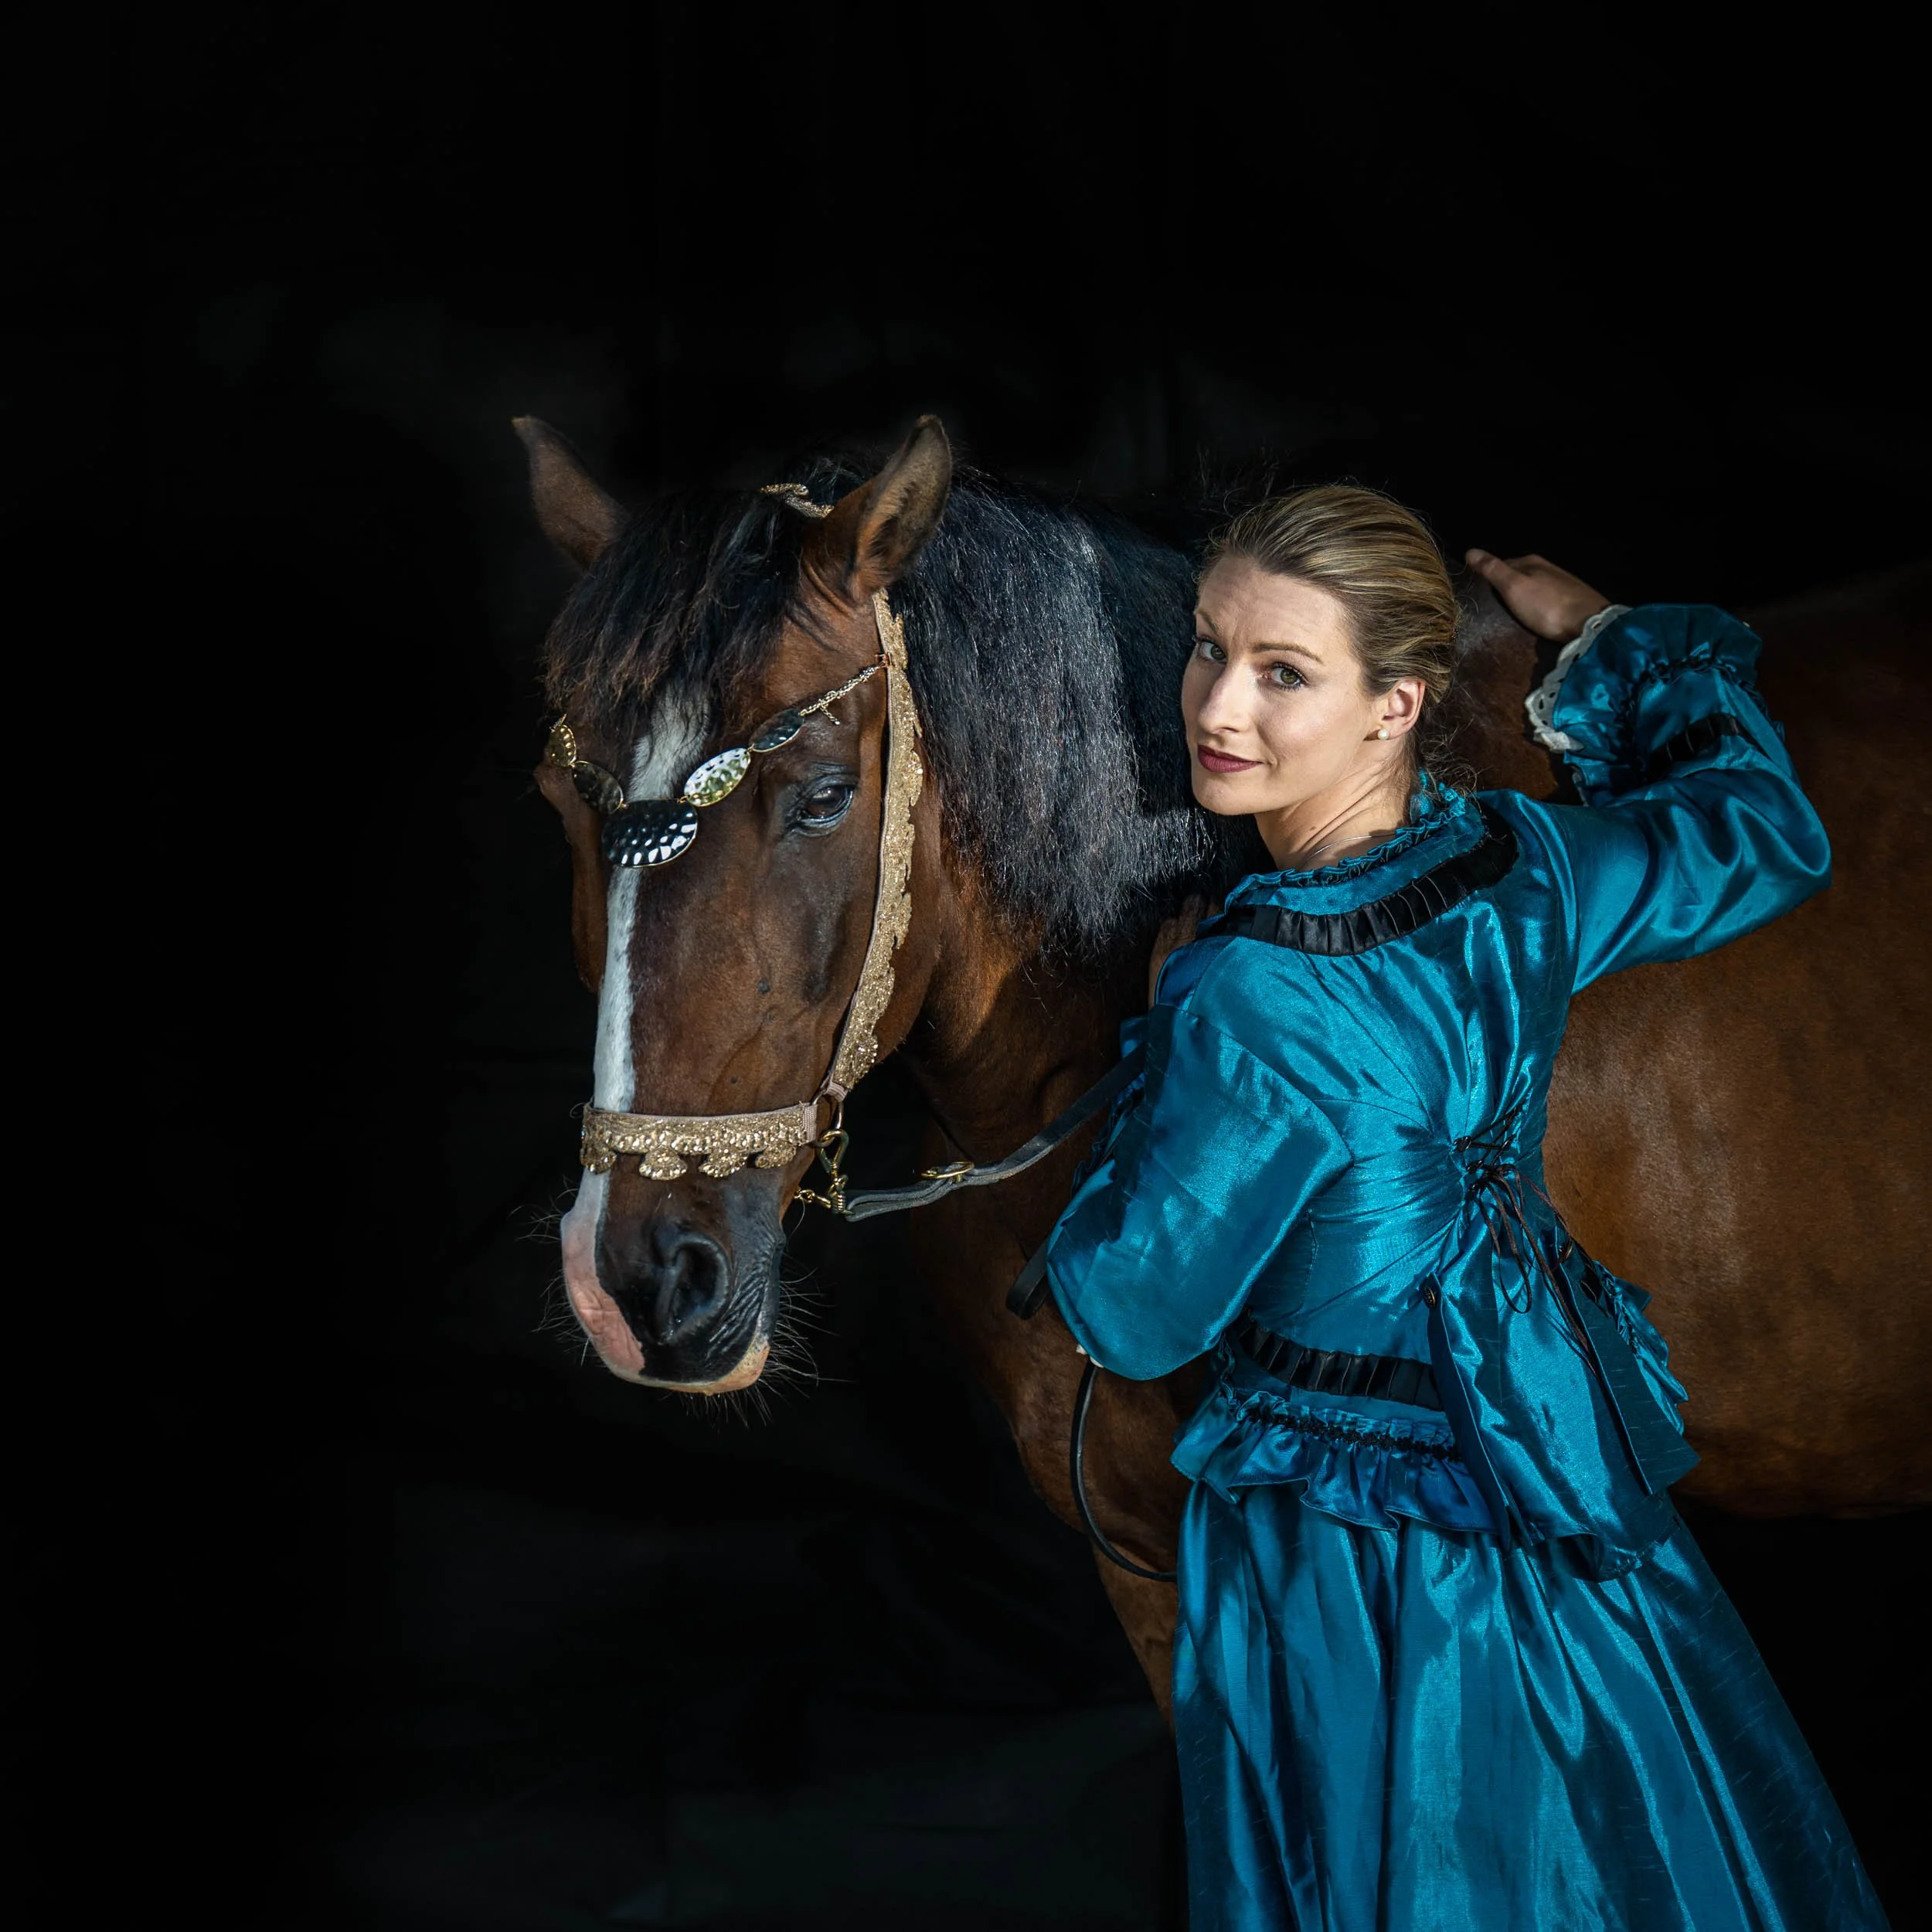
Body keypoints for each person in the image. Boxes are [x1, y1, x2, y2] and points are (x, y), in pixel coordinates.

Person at [1043, 488, 1888, 1931]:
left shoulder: (1251, 991)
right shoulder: (1524, 864)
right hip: (1539, 1453)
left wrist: (1143, 1067)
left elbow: (1129, 1306)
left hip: (1355, 1537)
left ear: (1398, 704)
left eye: (1284, 671)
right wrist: (1615, 639)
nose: (1217, 704)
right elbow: (1761, 830)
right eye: (1207, 647)